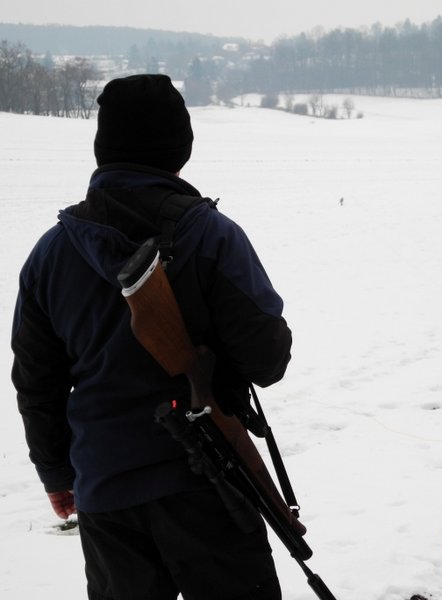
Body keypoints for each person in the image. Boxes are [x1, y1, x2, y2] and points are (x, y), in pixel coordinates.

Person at [12, 74, 292, 600]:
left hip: (105, 492)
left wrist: (55, 472)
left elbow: (36, 381)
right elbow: (267, 360)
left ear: (104, 148)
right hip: (209, 483)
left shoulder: (49, 253)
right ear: (180, 148)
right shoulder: (212, 235)